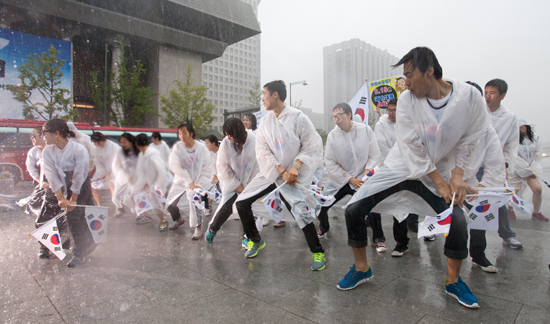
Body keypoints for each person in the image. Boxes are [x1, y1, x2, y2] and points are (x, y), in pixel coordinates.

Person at [337, 47, 487, 309]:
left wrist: (458, 173)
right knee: (353, 209)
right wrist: (440, 182)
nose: (405, 83)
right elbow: (411, 144)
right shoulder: (407, 100)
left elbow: (472, 137)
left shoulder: (469, 97)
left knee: (458, 220)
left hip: (439, 169)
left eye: (409, 75)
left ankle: (453, 282)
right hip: (401, 165)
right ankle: (361, 268)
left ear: (429, 71)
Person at [234, 80, 326, 271]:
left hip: (294, 175)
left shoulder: (298, 117)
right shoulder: (265, 122)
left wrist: (295, 167)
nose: (262, 99)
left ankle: (318, 252)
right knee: (242, 203)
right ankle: (255, 239)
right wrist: (280, 170)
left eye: (264, 94)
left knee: (299, 211)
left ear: (275, 95)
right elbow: (263, 151)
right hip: (272, 172)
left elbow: (311, 145)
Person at [317, 103, 386, 253]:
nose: (336, 119)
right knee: (322, 203)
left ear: (349, 115)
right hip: (341, 179)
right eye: (334, 117)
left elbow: (375, 153)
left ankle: (379, 239)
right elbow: (329, 161)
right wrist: (349, 178)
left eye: (339, 115)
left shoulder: (365, 130)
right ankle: (324, 227)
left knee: (372, 206)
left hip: (363, 177)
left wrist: (367, 171)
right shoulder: (332, 136)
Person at [373, 98, 427, 257]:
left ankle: (401, 243)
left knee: (402, 205)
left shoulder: (410, 125)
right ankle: (378, 237)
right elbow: (382, 147)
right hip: (388, 170)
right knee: (375, 202)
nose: (391, 113)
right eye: (389, 110)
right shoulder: (381, 125)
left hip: (408, 170)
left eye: (394, 110)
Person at [41, 118, 95, 268]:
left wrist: (73, 198)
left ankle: (79, 252)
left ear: (56, 133)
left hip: (80, 185)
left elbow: (79, 175)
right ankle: (49, 245)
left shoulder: (78, 149)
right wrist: (59, 197)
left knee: (75, 216)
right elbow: (51, 175)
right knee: (51, 213)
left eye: (45, 133)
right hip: (61, 184)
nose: (43, 137)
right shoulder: (47, 151)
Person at [205, 118, 262, 243]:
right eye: (227, 135)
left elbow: (260, 164)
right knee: (226, 208)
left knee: (248, 211)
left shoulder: (255, 140)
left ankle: (248, 237)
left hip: (252, 183)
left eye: (231, 135)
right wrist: (237, 184)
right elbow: (223, 166)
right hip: (233, 181)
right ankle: (213, 228)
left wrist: (251, 185)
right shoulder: (226, 143)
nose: (229, 138)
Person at [484, 79, 523, 249]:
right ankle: (445, 230)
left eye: (492, 93)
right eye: (486, 92)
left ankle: (507, 235)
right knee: (464, 198)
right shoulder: (479, 111)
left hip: (495, 164)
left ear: (502, 95)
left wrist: (506, 165)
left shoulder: (510, 118)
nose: (488, 96)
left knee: (499, 201)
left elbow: (512, 143)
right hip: (475, 163)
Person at [166, 123, 212, 240]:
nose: (182, 136)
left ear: (191, 133)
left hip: (197, 181)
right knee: (170, 204)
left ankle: (198, 228)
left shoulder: (201, 148)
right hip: (182, 180)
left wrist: (199, 184)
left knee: (196, 201)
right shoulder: (177, 148)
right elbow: (175, 166)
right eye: (180, 133)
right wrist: (187, 180)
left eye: (184, 133)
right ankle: (178, 219)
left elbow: (207, 167)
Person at [508, 120, 548, 221]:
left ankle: (536, 212)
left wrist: (532, 169)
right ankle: (510, 210)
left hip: (530, 170)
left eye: (522, 125)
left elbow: (537, 154)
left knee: (538, 189)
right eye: (518, 126)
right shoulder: (512, 138)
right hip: (515, 171)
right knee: (512, 191)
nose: (520, 127)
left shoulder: (535, 138)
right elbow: (513, 156)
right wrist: (526, 169)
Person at [132, 133, 170, 231]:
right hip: (148, 182)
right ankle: (147, 215)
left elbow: (161, 171)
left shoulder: (152, 154)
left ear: (137, 144)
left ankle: (163, 221)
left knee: (155, 202)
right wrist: (138, 186)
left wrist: (156, 186)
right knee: (133, 195)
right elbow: (141, 173)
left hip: (157, 182)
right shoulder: (142, 155)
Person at [111, 133, 139, 219]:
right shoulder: (120, 152)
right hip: (122, 177)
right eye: (121, 142)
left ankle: (139, 214)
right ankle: (121, 208)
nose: (122, 144)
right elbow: (115, 165)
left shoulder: (138, 151)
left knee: (133, 197)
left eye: (125, 142)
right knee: (115, 197)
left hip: (135, 178)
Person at [90, 132, 119, 211]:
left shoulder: (114, 147)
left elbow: (118, 161)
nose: (95, 144)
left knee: (114, 189)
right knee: (93, 185)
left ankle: (118, 208)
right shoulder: (97, 149)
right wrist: (101, 175)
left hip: (117, 172)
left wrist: (112, 173)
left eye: (95, 142)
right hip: (107, 172)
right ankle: (100, 206)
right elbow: (99, 163)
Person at [204, 134, 220, 216]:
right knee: (206, 190)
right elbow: (209, 166)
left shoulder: (222, 152)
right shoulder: (208, 153)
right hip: (213, 176)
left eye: (207, 143)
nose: (206, 145)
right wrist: (214, 176)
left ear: (213, 143)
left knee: (223, 194)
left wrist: (219, 177)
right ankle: (207, 207)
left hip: (223, 176)